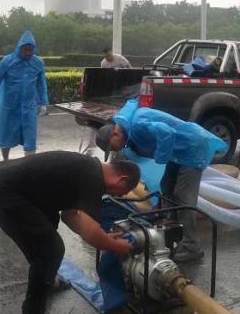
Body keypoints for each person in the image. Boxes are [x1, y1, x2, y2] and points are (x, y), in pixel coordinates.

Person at [0, 151, 138, 314]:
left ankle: (48, 281)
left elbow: (70, 216)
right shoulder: (94, 178)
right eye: (121, 192)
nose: (116, 195)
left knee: (48, 227)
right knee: (50, 251)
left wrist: (105, 239)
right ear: (122, 179)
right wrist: (116, 246)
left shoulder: (88, 169)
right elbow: (90, 231)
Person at [95, 99, 227, 263]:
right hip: (179, 152)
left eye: (112, 147)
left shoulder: (137, 125)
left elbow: (166, 132)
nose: (116, 150)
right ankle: (171, 233)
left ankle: (191, 246)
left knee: (183, 197)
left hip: (192, 147)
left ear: (115, 134)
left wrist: (160, 158)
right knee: (166, 187)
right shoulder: (128, 129)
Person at [0, 30, 48, 161]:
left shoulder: (38, 63)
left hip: (29, 106)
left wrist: (43, 103)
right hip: (9, 106)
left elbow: (41, 84)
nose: (28, 53)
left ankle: (29, 165)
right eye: (26, 50)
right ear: (20, 48)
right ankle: (5, 161)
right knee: (6, 135)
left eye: (31, 50)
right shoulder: (7, 61)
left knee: (30, 137)